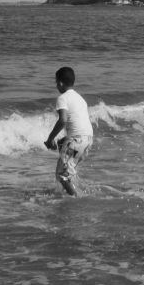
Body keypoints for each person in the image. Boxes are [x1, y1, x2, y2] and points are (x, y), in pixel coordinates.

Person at [44, 66, 93, 195]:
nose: (56, 85)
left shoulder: (62, 98)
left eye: (56, 82)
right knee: (65, 168)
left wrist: (50, 139)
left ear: (60, 83)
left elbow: (63, 120)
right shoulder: (80, 98)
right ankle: (70, 191)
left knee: (61, 175)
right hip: (87, 140)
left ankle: (76, 199)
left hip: (76, 140)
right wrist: (61, 142)